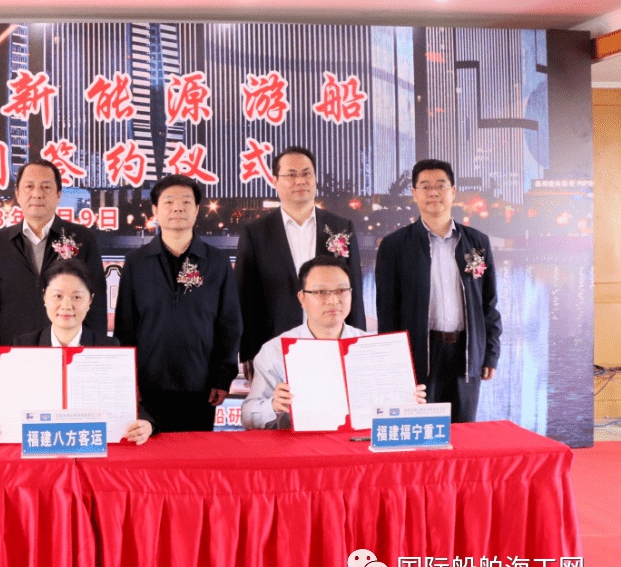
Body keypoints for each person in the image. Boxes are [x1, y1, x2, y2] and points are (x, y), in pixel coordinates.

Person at [375, 159, 501, 423]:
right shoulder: (394, 245)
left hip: (466, 352)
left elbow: (488, 305)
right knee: (421, 429)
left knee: (464, 430)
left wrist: (490, 353)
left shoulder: (477, 242)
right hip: (418, 353)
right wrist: (391, 362)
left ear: (453, 191)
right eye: (425, 186)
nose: (433, 192)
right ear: (414, 193)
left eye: (441, 186)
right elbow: (387, 310)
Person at [114, 174, 242, 432]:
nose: (177, 208)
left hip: (201, 385)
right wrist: (128, 380)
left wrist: (223, 377)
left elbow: (229, 323)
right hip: (148, 385)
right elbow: (125, 326)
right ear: (155, 210)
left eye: (186, 202)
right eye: (169, 202)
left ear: (196, 210)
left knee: (194, 454)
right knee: (149, 451)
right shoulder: (136, 261)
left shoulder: (216, 261)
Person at [0, 258, 154, 445]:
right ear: (44, 297)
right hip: (43, 447)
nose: (66, 305)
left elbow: (129, 405)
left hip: (90, 447)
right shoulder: (23, 346)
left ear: (90, 300)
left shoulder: (108, 347)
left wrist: (146, 424)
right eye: (58, 296)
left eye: (77, 297)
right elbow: (6, 406)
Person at [242, 256, 427, 430]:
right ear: (302, 298)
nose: (333, 300)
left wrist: (408, 403)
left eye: (341, 291)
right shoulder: (275, 350)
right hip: (301, 447)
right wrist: (274, 406)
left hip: (360, 446)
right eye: (321, 292)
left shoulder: (373, 347)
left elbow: (391, 413)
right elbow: (247, 416)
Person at [236, 146, 365, 372]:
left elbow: (354, 291)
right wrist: (248, 352)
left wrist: (358, 347)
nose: (300, 181)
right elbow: (245, 297)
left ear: (315, 179)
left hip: (333, 344)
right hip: (275, 347)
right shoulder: (255, 232)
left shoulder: (340, 228)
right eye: (291, 175)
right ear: (275, 181)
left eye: (307, 174)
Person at [0, 159, 107, 363]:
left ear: (58, 195)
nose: (37, 194)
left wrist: (95, 359)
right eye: (29, 186)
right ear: (18, 194)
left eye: (46, 187)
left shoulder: (82, 239)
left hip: (71, 358)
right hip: (13, 358)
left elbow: (97, 304)